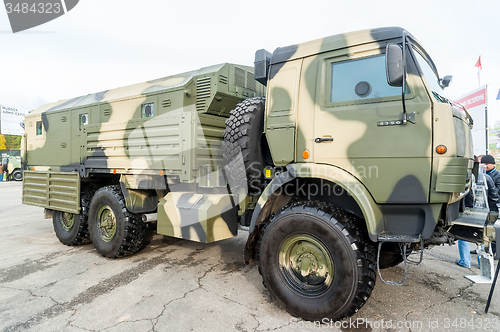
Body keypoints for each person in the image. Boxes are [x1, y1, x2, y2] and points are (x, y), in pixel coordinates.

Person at [456, 161, 499, 268]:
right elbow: (494, 196)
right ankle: (483, 265)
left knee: (463, 236)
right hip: (485, 212)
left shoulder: (467, 177)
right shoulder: (486, 177)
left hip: (471, 212)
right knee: (481, 238)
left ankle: (465, 261)